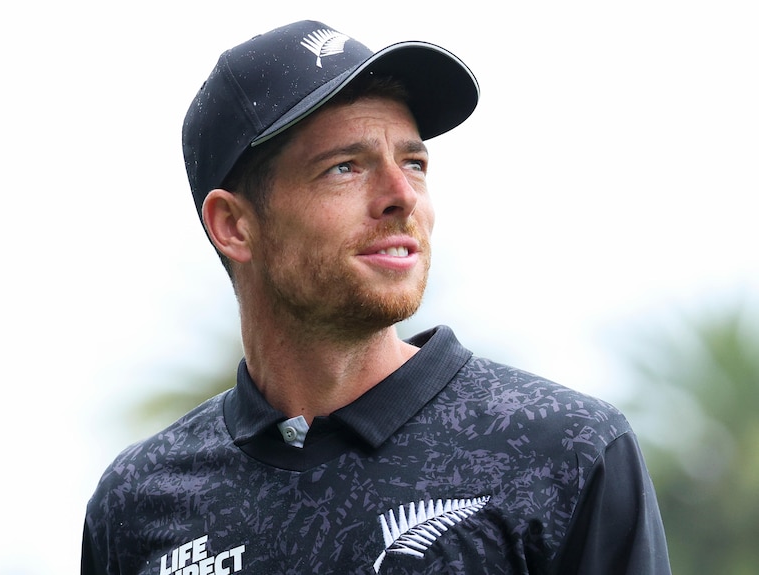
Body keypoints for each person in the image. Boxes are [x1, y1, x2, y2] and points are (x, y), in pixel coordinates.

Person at [81, 20, 671, 575]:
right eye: (344, 168)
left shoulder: (569, 451)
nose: (401, 196)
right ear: (234, 225)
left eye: (413, 163)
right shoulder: (137, 502)